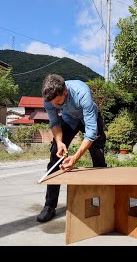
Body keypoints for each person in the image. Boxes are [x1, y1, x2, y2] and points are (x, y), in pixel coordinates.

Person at [36, 74, 107, 223]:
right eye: (53, 103)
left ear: (65, 92)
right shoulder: (49, 100)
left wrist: (74, 158)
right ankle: (49, 206)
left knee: (98, 156)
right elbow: (54, 122)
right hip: (70, 120)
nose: (56, 106)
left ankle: (103, 203)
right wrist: (60, 141)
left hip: (90, 119)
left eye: (59, 102)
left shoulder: (82, 93)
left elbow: (91, 132)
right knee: (55, 155)